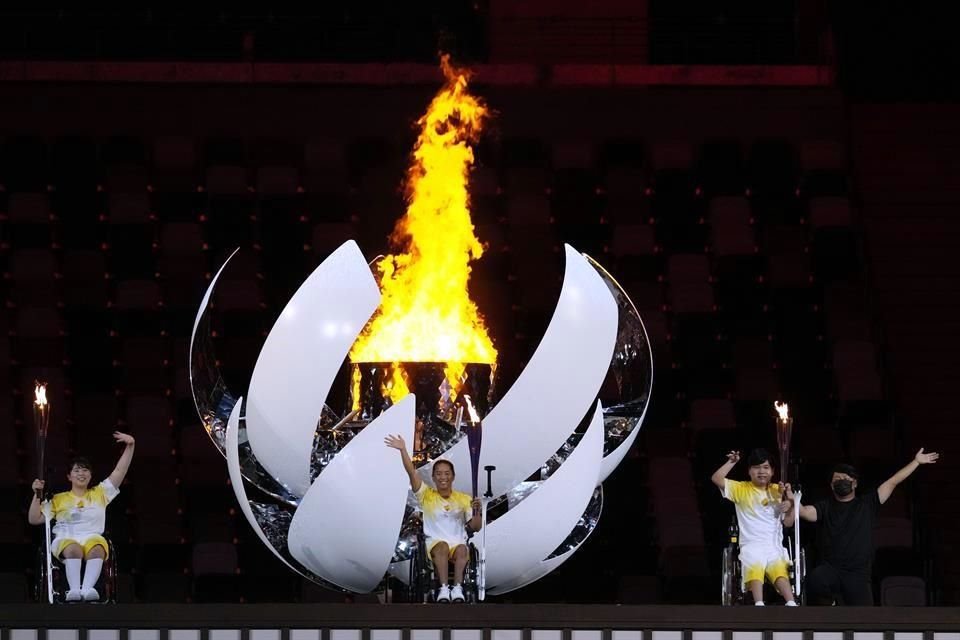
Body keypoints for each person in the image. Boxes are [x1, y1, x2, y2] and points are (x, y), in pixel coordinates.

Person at [787, 448, 939, 605]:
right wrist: (792, 500)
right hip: (831, 569)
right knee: (815, 580)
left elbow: (893, 481)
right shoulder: (825, 507)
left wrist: (916, 462)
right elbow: (804, 512)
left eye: (846, 479)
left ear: (855, 483)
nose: (842, 481)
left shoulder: (868, 504)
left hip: (858, 574)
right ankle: (832, 605)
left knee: (865, 619)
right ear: (832, 486)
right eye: (837, 479)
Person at [28, 431, 136, 602]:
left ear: (90, 476)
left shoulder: (100, 493)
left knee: (98, 548)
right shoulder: (58, 498)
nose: (81, 473)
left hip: (92, 537)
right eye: (77, 470)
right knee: (74, 549)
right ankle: (74, 591)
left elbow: (119, 471)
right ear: (69, 476)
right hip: (66, 539)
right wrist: (36, 495)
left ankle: (87, 589)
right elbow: (34, 519)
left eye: (85, 470)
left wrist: (130, 446)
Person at [385, 434, 481, 603]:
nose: (443, 477)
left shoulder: (464, 499)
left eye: (446, 473)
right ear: (434, 477)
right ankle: (443, 590)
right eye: (439, 474)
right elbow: (411, 472)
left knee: (462, 550)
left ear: (452, 476)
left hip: (458, 543)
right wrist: (403, 450)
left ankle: (457, 589)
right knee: (442, 546)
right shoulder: (426, 495)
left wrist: (477, 512)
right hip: (434, 544)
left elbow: (475, 527)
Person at [712, 448, 798, 606]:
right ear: (749, 471)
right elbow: (716, 478)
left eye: (766, 467)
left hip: (773, 545)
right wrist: (732, 462)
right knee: (755, 562)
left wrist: (791, 504)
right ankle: (759, 603)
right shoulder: (741, 489)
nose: (761, 472)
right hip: (751, 544)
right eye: (756, 467)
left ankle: (791, 603)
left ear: (772, 471)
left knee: (778, 568)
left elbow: (788, 523)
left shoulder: (779, 491)